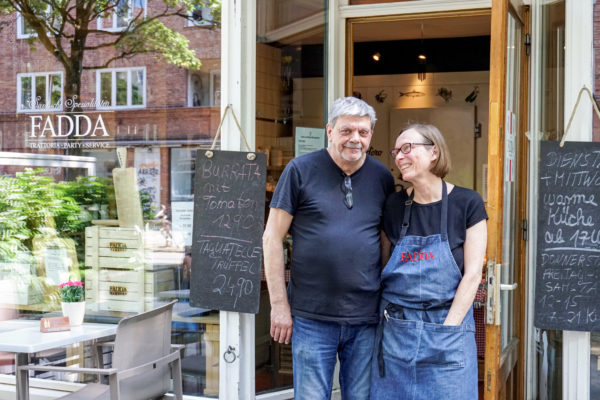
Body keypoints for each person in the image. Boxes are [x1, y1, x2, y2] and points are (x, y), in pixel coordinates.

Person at [263, 96, 394, 399]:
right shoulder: (300, 171)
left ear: (371, 135)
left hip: (365, 317)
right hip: (311, 317)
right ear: (329, 131)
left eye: (363, 132)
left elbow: (384, 239)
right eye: (347, 130)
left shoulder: (382, 177)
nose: (355, 139)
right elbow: (271, 238)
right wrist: (280, 306)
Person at [371, 124, 487, 400]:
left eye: (407, 148)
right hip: (397, 332)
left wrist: (448, 329)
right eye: (396, 151)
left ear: (434, 151)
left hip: (448, 328)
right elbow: (385, 267)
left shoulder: (467, 203)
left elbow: (473, 274)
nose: (399, 156)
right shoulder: (393, 205)